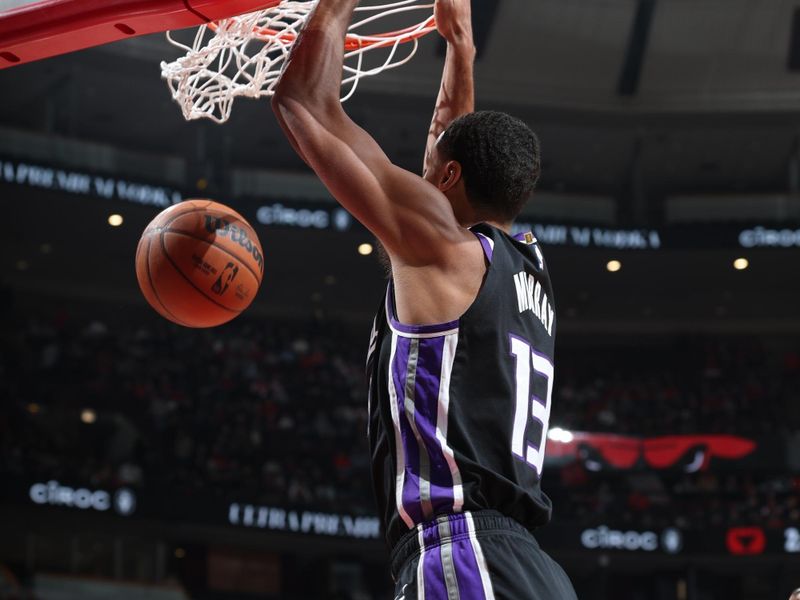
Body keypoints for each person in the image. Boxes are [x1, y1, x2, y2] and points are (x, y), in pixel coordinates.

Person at [271, 1, 577, 597]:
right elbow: (448, 146)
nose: (423, 164)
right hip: (528, 569)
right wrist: (459, 46)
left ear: (449, 179)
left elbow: (302, 104)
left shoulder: (441, 250)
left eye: (433, 166)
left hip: (466, 555)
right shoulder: (523, 263)